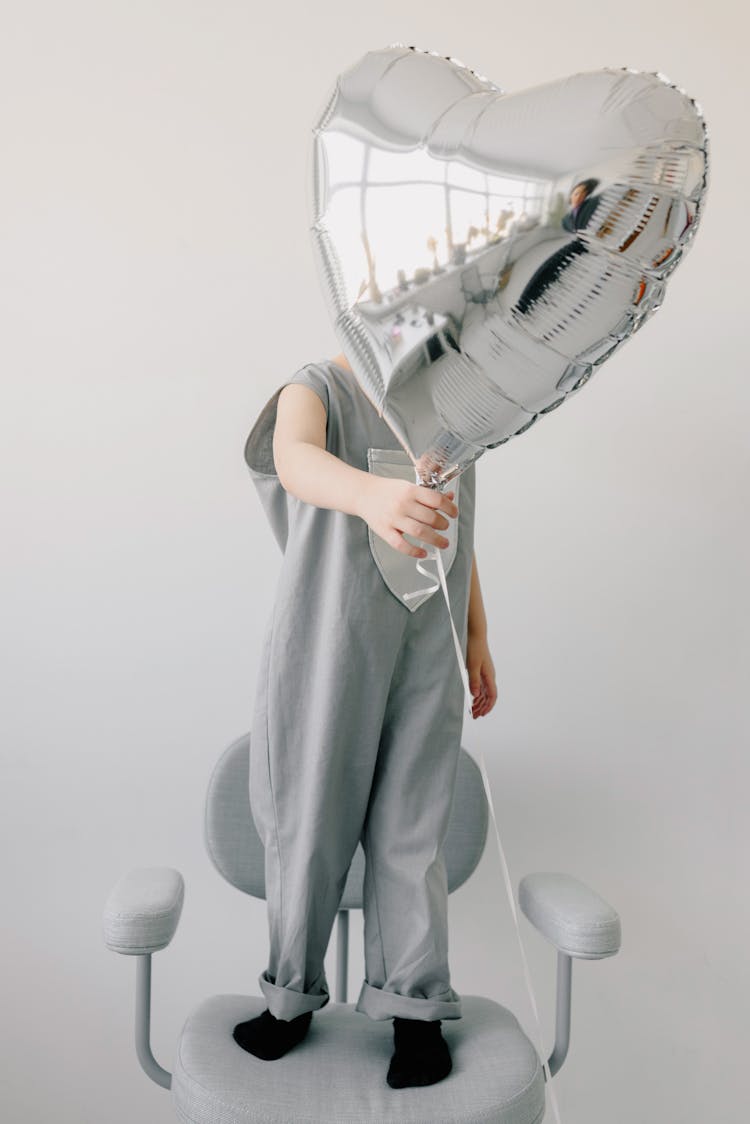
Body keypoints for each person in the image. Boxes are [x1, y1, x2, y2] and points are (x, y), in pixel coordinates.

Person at [233, 352, 497, 1088]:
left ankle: (414, 1011)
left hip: (427, 646)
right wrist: (373, 496)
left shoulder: (449, 410)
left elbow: (458, 529)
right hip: (327, 640)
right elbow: (295, 459)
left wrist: (476, 634)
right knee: (309, 814)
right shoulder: (317, 389)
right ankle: (288, 999)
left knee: (414, 828)